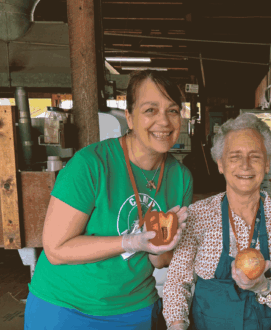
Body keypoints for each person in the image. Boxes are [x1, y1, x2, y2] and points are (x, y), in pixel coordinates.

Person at [24, 70, 193, 330]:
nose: (164, 121)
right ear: (130, 117)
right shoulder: (91, 164)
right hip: (64, 306)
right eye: (150, 110)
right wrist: (130, 242)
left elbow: (159, 259)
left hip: (133, 309)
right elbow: (56, 250)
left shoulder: (180, 178)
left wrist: (162, 245)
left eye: (172, 110)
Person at [163, 113, 271, 330]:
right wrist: (176, 325)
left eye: (255, 156)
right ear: (220, 164)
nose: (245, 166)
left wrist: (264, 287)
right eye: (235, 156)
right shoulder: (199, 215)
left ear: (266, 164)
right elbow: (177, 282)